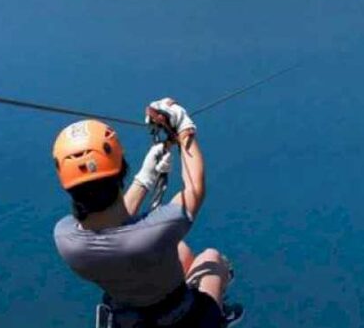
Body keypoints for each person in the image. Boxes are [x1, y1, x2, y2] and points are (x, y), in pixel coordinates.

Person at [52, 99, 232, 327]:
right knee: (212, 259)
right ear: (120, 169)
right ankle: (221, 313)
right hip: (184, 319)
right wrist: (184, 127)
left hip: (129, 320)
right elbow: (195, 188)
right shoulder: (159, 229)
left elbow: (111, 224)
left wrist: (145, 178)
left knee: (181, 250)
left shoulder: (65, 238)